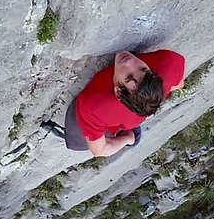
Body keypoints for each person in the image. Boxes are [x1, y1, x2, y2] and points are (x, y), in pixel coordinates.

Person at [54, 49, 185, 157]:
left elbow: (99, 151)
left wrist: (127, 138)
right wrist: (149, 98)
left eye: (129, 77)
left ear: (118, 92)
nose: (129, 62)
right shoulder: (168, 64)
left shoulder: (94, 105)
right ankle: (131, 135)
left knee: (76, 137)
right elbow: (179, 84)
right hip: (133, 118)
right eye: (143, 69)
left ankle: (131, 137)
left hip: (109, 119)